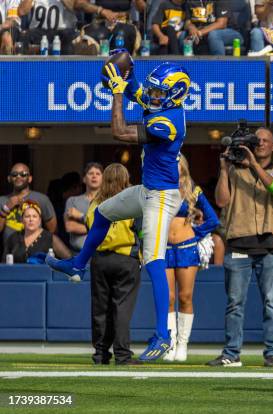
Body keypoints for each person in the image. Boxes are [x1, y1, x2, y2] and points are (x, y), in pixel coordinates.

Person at [46, 57, 190, 361]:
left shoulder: (168, 122)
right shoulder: (161, 105)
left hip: (162, 196)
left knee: (153, 260)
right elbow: (137, 89)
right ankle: (78, 264)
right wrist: (128, 69)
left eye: (159, 93)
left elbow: (119, 131)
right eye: (154, 92)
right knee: (102, 212)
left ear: (175, 94)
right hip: (147, 190)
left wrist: (115, 91)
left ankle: (163, 336)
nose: (152, 96)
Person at [208, 127, 273, 368]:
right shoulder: (233, 171)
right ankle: (231, 353)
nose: (261, 143)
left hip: (269, 246)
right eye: (257, 140)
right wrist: (223, 169)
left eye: (266, 140)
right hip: (238, 243)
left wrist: (253, 164)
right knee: (234, 303)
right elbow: (221, 201)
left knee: (271, 303)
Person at [164, 155, 219, 362]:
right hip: (164, 248)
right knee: (167, 298)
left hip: (187, 248)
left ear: (183, 167)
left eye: (176, 163)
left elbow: (213, 219)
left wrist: (194, 233)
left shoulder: (193, 190)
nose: (173, 167)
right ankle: (168, 343)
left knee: (185, 296)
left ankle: (182, 344)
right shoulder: (157, 188)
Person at [88, 163, 142, 366]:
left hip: (100, 259)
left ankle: (100, 354)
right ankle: (123, 355)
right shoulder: (133, 202)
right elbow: (142, 230)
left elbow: (88, 227)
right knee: (122, 309)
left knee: (100, 309)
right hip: (125, 258)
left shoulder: (95, 204)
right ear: (125, 179)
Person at [0, 163, 57, 247]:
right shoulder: (2, 200)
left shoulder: (42, 199)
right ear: (9, 178)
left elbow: (53, 230)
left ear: (30, 178)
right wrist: (6, 208)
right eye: (14, 174)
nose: (18, 177)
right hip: (10, 253)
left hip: (35, 253)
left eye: (23, 174)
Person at [3, 200, 70, 264]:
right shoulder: (13, 238)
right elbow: (4, 263)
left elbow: (69, 260)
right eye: (27, 216)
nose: (31, 219)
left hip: (43, 275)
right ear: (22, 220)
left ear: (40, 220)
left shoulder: (50, 238)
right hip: (17, 275)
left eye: (34, 216)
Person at [76, 0, 145, 55]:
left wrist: (140, 2)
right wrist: (101, 10)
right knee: (97, 36)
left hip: (123, 22)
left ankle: (120, 68)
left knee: (121, 34)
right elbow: (79, 4)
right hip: (100, 21)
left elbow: (142, 8)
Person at [65, 163, 103, 252]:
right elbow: (70, 226)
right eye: (90, 173)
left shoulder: (107, 202)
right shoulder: (72, 201)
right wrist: (97, 228)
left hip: (101, 256)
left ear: (103, 179)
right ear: (84, 179)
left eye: (98, 174)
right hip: (78, 254)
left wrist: (81, 216)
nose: (94, 176)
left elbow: (110, 228)